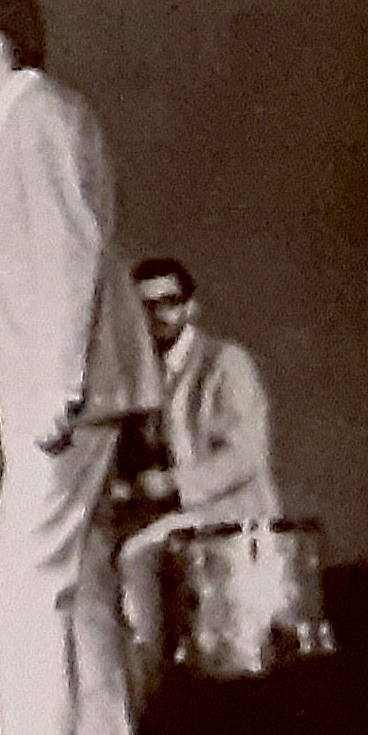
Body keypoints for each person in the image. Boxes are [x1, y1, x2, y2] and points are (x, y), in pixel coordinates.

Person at [0, 0, 161, 735]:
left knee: (22, 571)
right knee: (82, 578)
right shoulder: (40, 116)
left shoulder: (31, 117)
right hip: (78, 383)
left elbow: (69, 252)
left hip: (65, 387)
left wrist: (58, 385)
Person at [113, 257, 279, 702]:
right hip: (174, 519)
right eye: (145, 306)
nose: (158, 315)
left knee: (135, 555)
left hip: (230, 518)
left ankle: (152, 696)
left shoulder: (226, 363)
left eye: (168, 302)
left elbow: (246, 455)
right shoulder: (139, 374)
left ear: (191, 306)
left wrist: (173, 485)